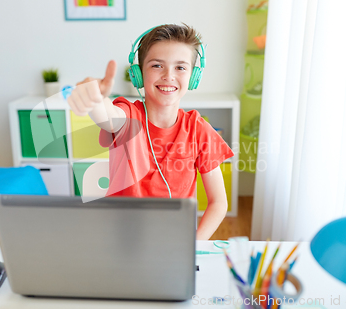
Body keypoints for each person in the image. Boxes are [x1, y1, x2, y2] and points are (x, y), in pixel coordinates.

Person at [67, 24, 234, 240]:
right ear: (138, 74)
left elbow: (219, 202)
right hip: (122, 240)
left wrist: (194, 244)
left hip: (175, 241)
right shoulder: (128, 116)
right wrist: (94, 97)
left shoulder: (198, 129)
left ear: (194, 77)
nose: (168, 76)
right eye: (157, 66)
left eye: (180, 68)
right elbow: (108, 116)